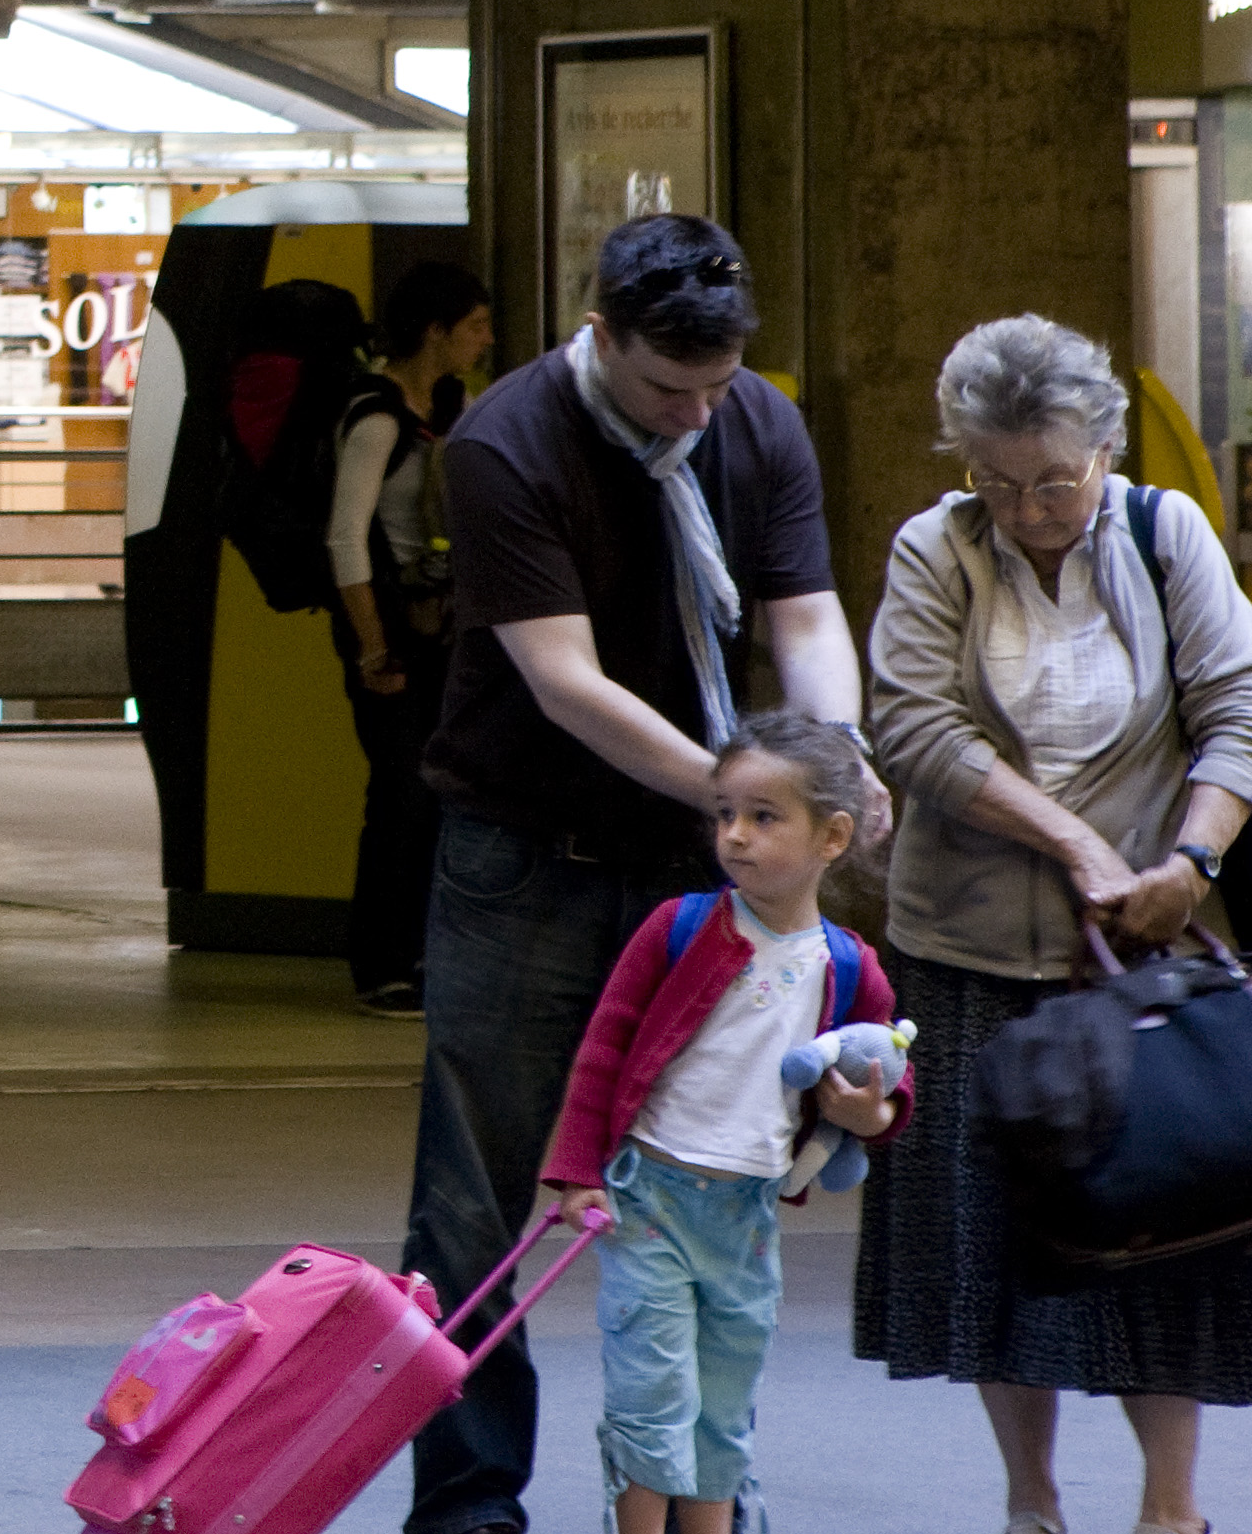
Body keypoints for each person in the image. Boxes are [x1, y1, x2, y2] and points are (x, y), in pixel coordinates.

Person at [397, 212, 869, 1534]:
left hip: (694, 863)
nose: (697, 411)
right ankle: (470, 1503)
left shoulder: (757, 421)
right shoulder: (507, 439)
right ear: (598, 335)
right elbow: (565, 679)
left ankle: (697, 1488)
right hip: (525, 851)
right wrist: (751, 791)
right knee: (480, 1195)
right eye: (669, 387)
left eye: (717, 383)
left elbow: (806, 612)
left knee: (705, 1184)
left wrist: (824, 757)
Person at [856, 314, 1252, 1534]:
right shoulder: (937, 546)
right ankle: (1031, 1502)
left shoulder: (1163, 529)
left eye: (1056, 480)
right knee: (994, 1248)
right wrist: (1075, 842)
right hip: (968, 950)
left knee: (1160, 1233)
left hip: (1144, 950)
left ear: (1107, 451)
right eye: (999, 479)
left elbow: (1241, 704)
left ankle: (1169, 1511)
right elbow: (915, 727)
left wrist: (1190, 857)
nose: (1030, 507)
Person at [541, 711, 904, 1534]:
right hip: (650, 1202)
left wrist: (873, 1110)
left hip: (746, 1219)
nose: (735, 836)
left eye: (764, 817)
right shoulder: (676, 928)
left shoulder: (849, 965)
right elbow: (603, 1049)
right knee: (649, 1393)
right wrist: (578, 1172)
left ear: (833, 837)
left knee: (723, 1401)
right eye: (725, 814)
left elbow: (884, 1074)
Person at [340, 261, 500, 1015]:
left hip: (443, 630)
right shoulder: (375, 419)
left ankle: (430, 951)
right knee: (400, 795)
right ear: (434, 331)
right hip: (392, 636)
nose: (484, 340)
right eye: (473, 325)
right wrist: (374, 648)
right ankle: (382, 961)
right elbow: (344, 541)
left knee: (440, 795)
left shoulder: (453, 405)